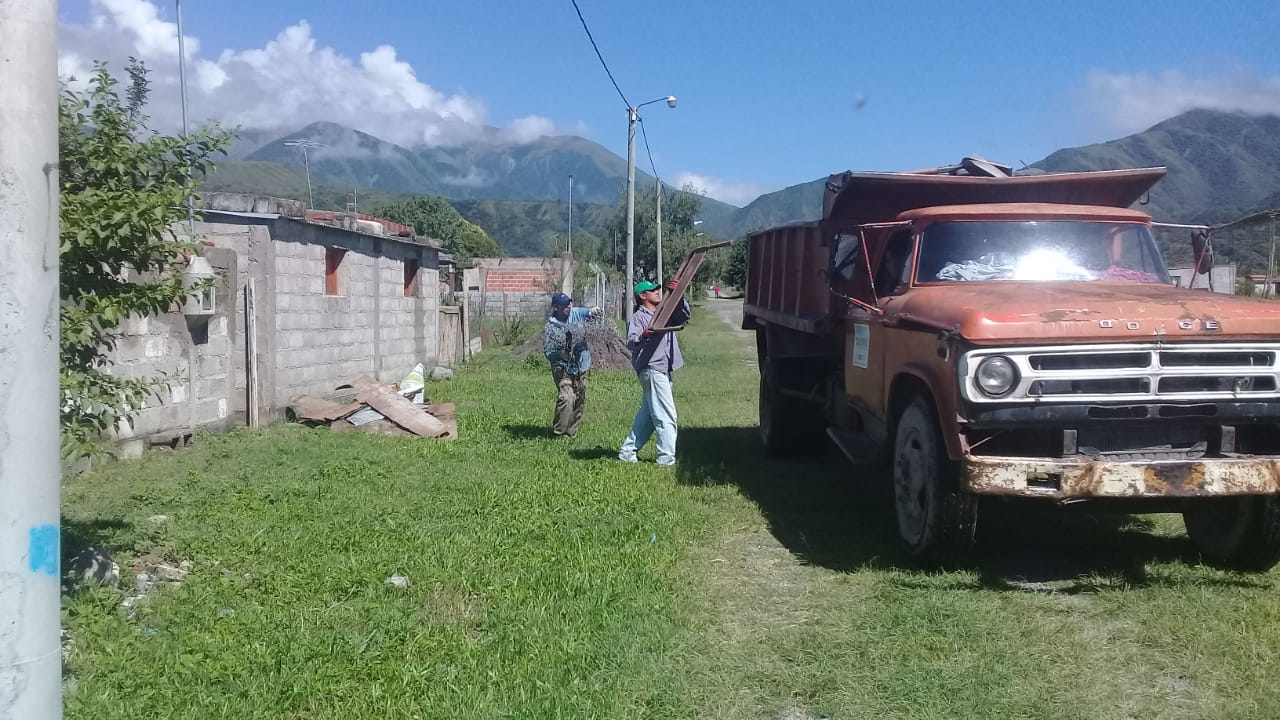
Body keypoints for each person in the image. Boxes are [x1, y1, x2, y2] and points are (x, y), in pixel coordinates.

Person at [618, 280, 691, 466]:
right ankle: (666, 460)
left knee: (649, 416)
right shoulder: (638, 317)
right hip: (651, 368)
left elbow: (683, 317)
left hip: (664, 368)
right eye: (652, 290)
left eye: (658, 289)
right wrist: (645, 334)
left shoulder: (664, 313)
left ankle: (627, 452)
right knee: (666, 415)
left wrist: (678, 295)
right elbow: (632, 341)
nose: (657, 292)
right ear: (643, 296)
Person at [542, 292, 602, 437]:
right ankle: (559, 433)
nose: (568, 306)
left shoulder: (576, 313)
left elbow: (587, 313)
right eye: (564, 305)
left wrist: (593, 311)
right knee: (567, 398)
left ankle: (571, 432)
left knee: (579, 399)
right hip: (562, 368)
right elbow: (548, 352)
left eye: (569, 303)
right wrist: (561, 354)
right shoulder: (551, 328)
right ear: (556, 307)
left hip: (581, 365)